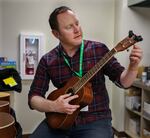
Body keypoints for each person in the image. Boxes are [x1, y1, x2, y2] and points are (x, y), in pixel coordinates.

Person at [28, 6, 143, 138]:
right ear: (56, 34)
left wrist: (133, 67)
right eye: (69, 27)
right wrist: (53, 106)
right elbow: (33, 98)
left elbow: (123, 82)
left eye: (77, 23)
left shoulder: (99, 50)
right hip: (60, 119)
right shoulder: (48, 60)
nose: (77, 29)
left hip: (95, 120)